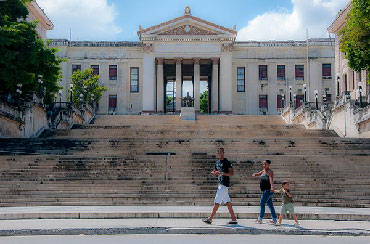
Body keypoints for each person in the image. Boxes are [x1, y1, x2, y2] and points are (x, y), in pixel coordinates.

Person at [202, 148, 238, 225]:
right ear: (218, 153)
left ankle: (210, 219)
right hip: (220, 184)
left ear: (224, 153)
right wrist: (213, 173)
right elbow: (215, 171)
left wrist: (221, 173)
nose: (221, 153)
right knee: (227, 202)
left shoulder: (227, 162)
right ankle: (234, 219)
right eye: (219, 152)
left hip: (224, 184)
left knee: (217, 201)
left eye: (222, 152)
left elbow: (231, 173)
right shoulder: (217, 162)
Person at [252, 160, 277, 224]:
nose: (264, 165)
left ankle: (260, 219)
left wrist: (272, 187)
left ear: (268, 165)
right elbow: (259, 173)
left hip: (268, 190)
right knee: (270, 205)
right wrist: (255, 174)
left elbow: (271, 179)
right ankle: (274, 219)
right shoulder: (263, 171)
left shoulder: (270, 171)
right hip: (264, 190)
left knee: (262, 203)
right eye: (263, 164)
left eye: (265, 164)